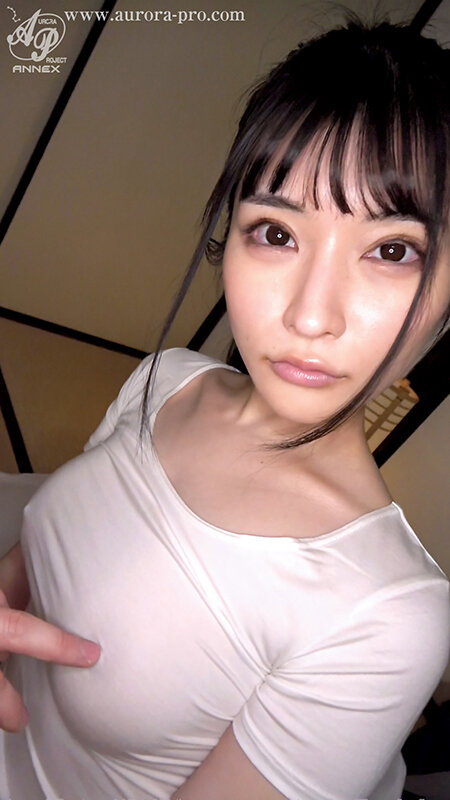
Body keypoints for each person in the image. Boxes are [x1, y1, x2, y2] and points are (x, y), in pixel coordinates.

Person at [0, 14, 449, 800]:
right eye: (275, 233)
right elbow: (39, 561)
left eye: (391, 251)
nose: (311, 315)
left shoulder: (387, 614)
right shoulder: (166, 378)